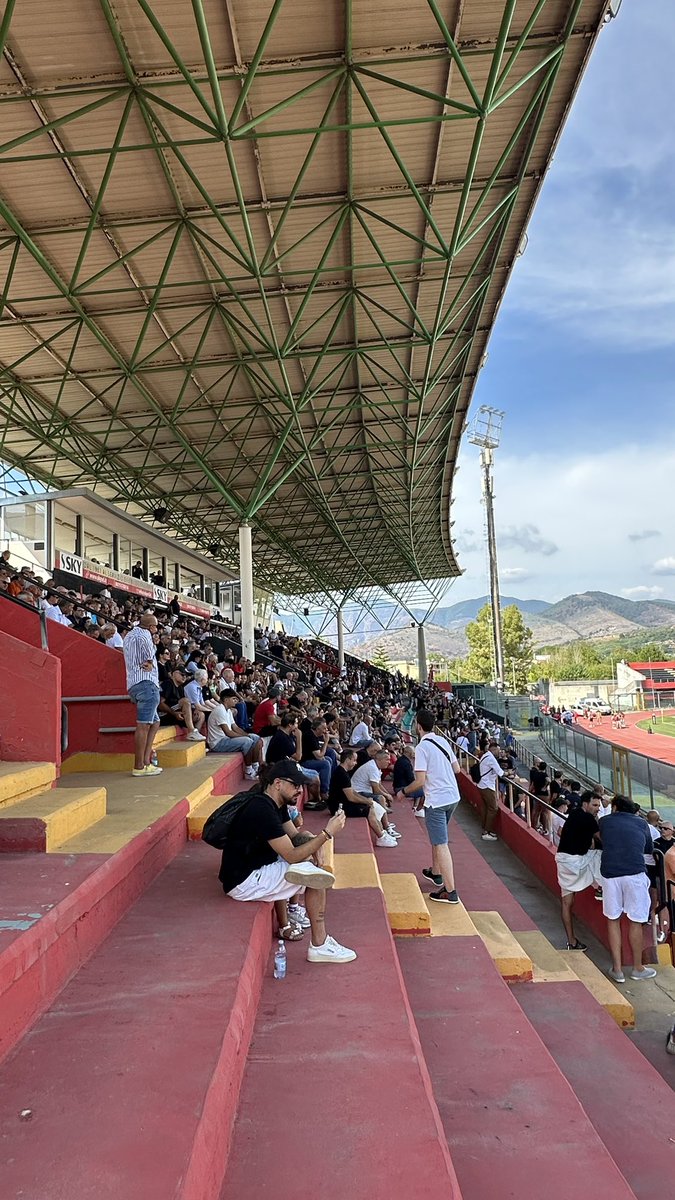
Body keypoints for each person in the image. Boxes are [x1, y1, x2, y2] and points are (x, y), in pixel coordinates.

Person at [219, 760, 357, 964]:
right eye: (295, 785)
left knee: (308, 857)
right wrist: (327, 833)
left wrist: (313, 841)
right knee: (316, 877)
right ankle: (320, 945)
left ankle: (305, 926)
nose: (300, 790)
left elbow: (294, 836)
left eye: (301, 785)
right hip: (243, 881)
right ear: (277, 783)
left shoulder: (275, 802)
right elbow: (292, 854)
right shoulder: (262, 809)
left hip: (255, 869)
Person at [397, 709, 461, 904]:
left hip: (436, 801)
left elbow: (420, 781)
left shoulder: (422, 747)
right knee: (437, 838)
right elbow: (457, 769)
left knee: (441, 843)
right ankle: (436, 872)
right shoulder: (442, 741)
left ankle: (450, 892)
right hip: (453, 798)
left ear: (418, 726)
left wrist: (403, 792)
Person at [600, 795, 657, 984]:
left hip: (610, 874)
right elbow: (648, 849)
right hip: (634, 874)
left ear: (615, 807)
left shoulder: (604, 821)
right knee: (636, 920)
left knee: (613, 919)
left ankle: (617, 969)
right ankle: (637, 968)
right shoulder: (641, 823)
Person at [555, 792, 603, 951]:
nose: (598, 808)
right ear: (585, 804)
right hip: (575, 862)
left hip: (562, 861)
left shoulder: (574, 813)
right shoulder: (589, 819)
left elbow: (562, 833)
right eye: (595, 805)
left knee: (567, 903)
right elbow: (602, 838)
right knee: (600, 855)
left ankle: (571, 941)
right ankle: (601, 887)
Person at [328, 748, 397, 846]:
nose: (356, 763)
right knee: (369, 809)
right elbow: (351, 797)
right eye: (354, 760)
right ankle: (381, 837)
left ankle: (382, 832)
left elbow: (352, 792)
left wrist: (367, 801)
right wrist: (367, 802)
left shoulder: (343, 772)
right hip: (338, 807)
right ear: (348, 760)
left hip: (342, 803)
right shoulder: (341, 774)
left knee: (371, 805)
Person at [123, 612, 163, 778]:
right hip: (147, 683)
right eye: (155, 626)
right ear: (151, 627)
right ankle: (139, 765)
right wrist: (151, 661)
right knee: (143, 725)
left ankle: (146, 762)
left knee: (154, 722)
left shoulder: (129, 635)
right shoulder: (145, 636)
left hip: (133, 683)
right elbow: (149, 657)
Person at [206, 688, 264, 778]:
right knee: (247, 741)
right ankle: (248, 771)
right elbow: (228, 732)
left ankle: (255, 767)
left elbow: (235, 727)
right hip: (218, 743)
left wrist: (247, 735)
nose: (236, 701)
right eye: (233, 699)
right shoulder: (219, 711)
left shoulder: (228, 710)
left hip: (225, 739)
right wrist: (246, 737)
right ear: (226, 700)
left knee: (255, 738)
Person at [476, 739, 504, 842]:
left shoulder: (485, 756)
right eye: (498, 750)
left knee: (485, 807)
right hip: (488, 786)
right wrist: (508, 773)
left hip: (482, 785)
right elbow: (500, 772)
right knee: (493, 808)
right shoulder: (491, 759)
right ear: (494, 749)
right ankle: (486, 832)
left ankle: (486, 828)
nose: (499, 752)